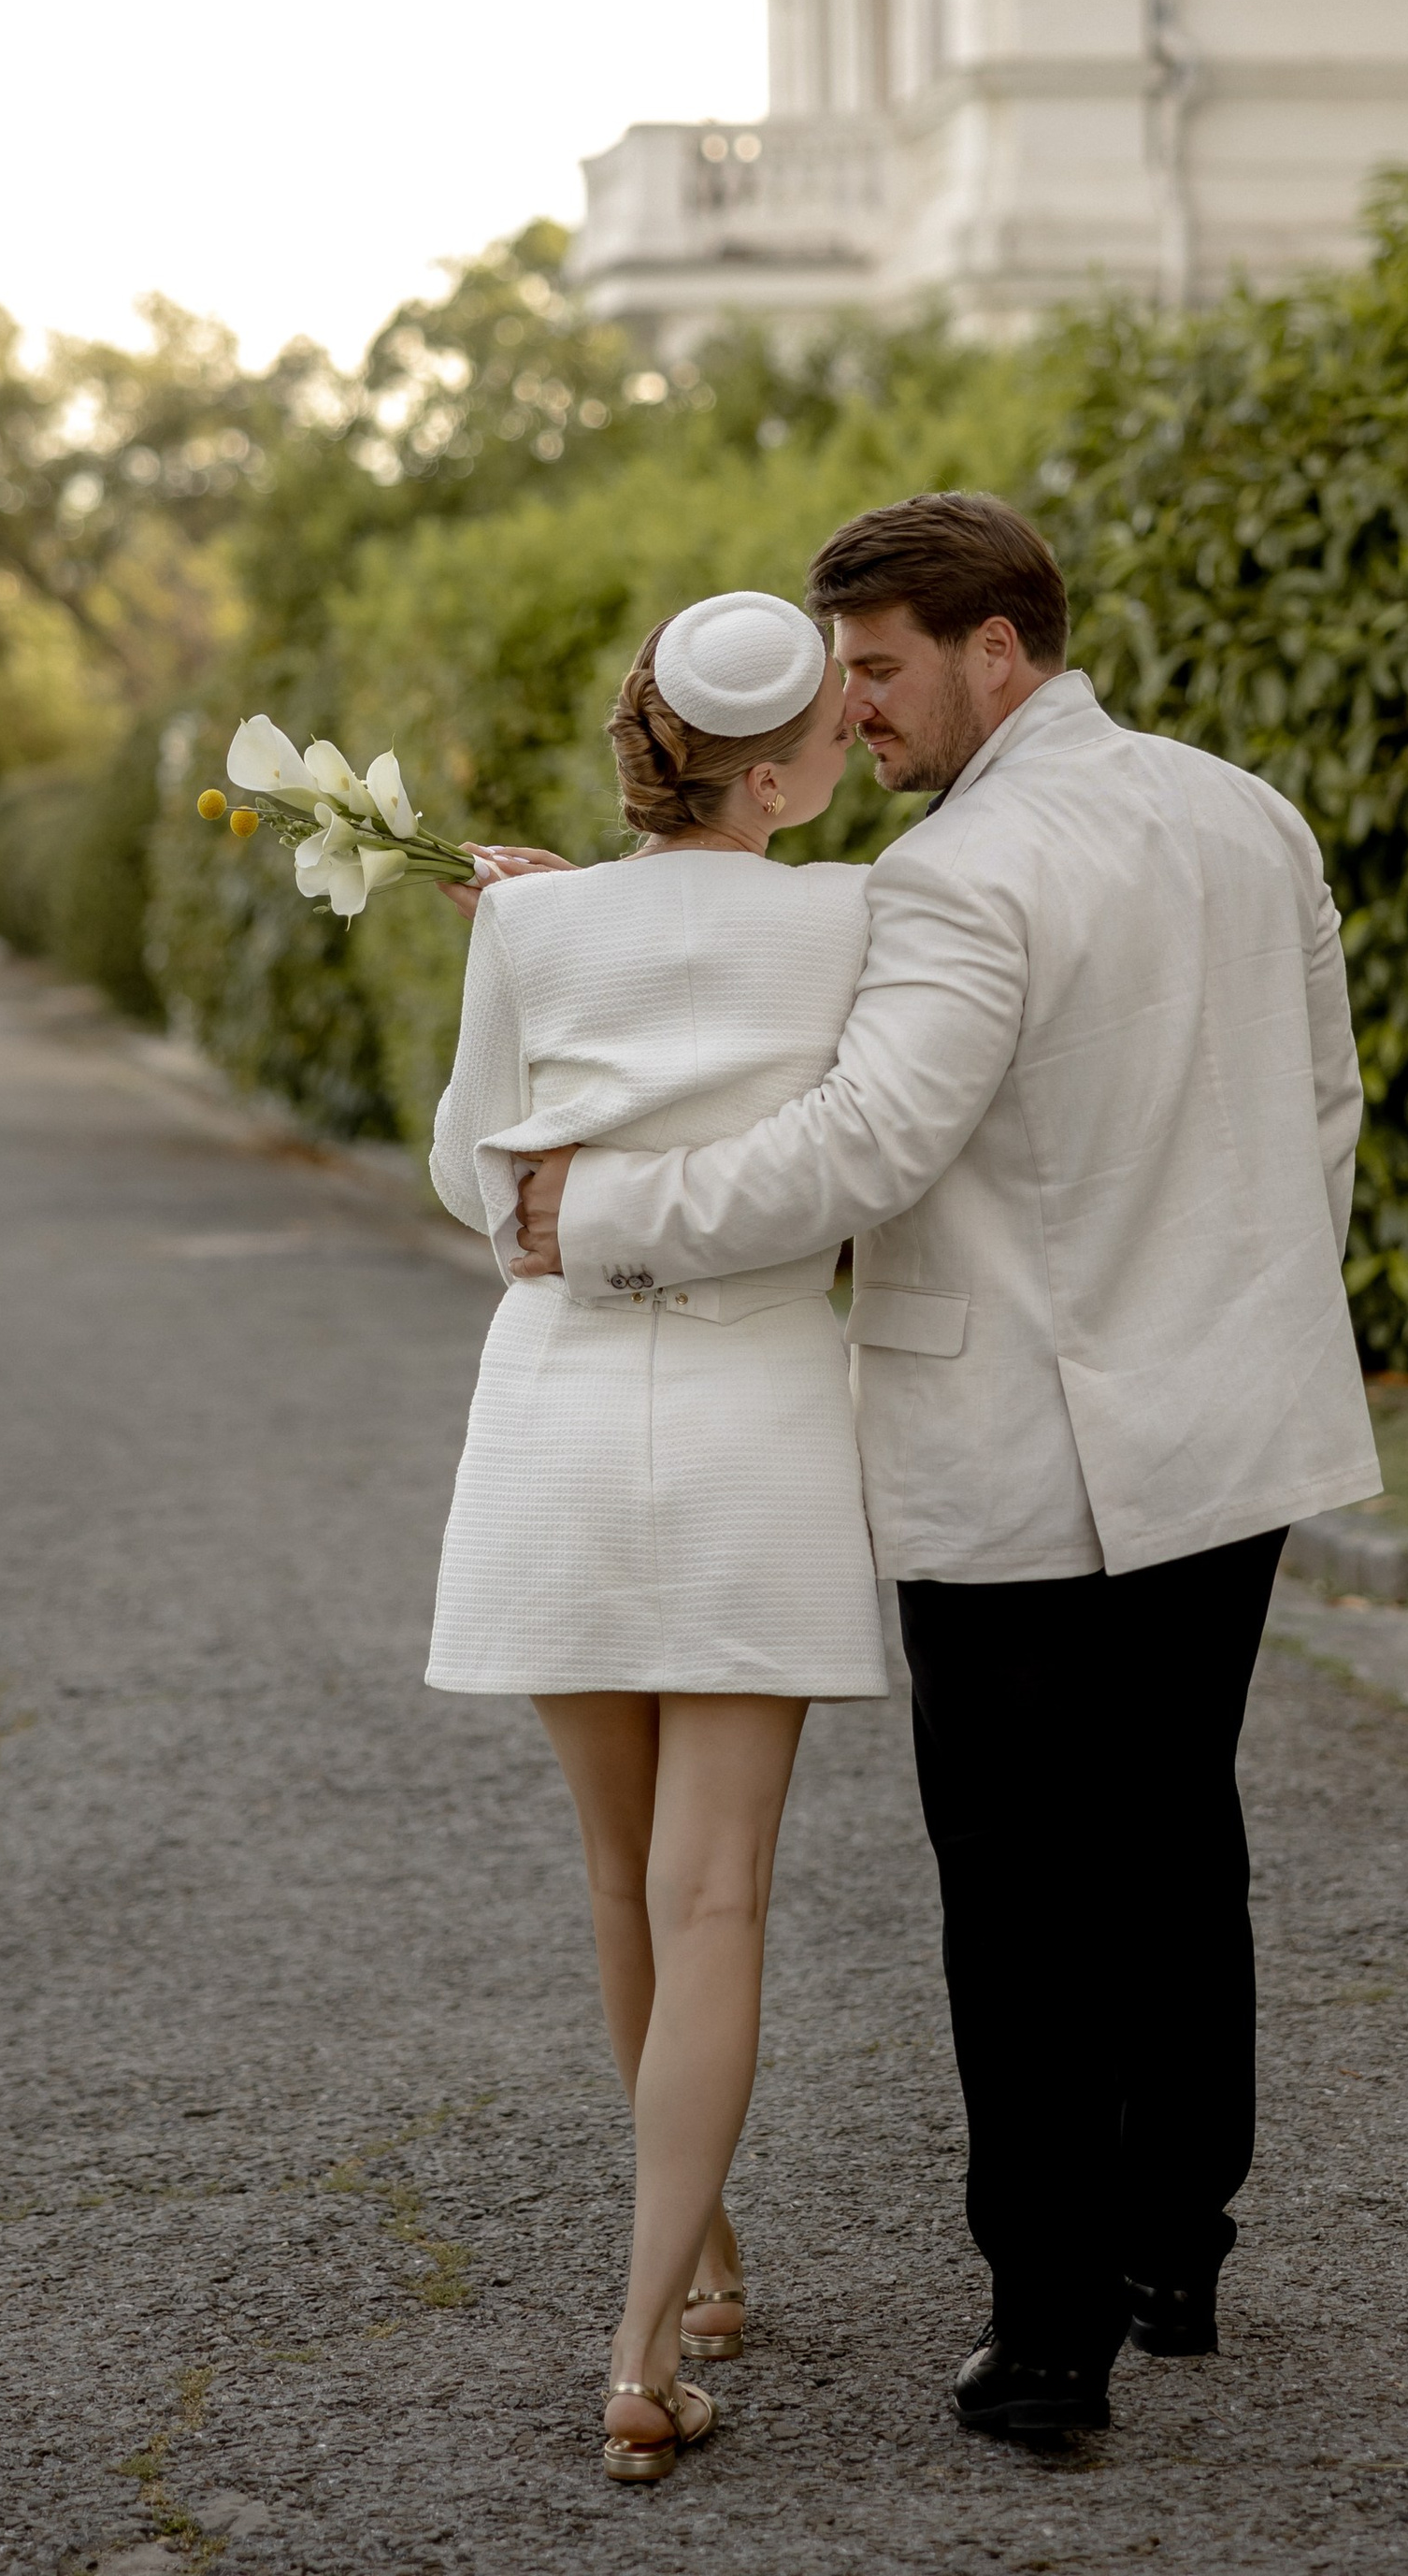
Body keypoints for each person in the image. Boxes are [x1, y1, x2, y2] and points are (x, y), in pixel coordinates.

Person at [510, 492, 1382, 2439]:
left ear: (1002, 648)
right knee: (1175, 1825)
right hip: (1229, 1419)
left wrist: (607, 1212)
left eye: (882, 667)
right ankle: (1175, 2248)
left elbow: (857, 1153)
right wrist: (1229, 1305)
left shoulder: (952, 878)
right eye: (838, 675)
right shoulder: (1249, 812)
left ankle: (1047, 2331)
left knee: (1013, 1883)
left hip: (1012, 1443)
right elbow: (1317, 1108)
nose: (859, 709)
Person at [423, 591, 886, 2484]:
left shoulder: (527, 915)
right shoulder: (860, 915)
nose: (862, 741)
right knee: (719, 1897)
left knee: (620, 1878)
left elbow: (476, 1171)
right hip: (753, 1420)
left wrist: (544, 942)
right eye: (838, 728)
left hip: (553, 1410)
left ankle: (698, 2259)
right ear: (773, 768)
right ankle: (640, 2333)